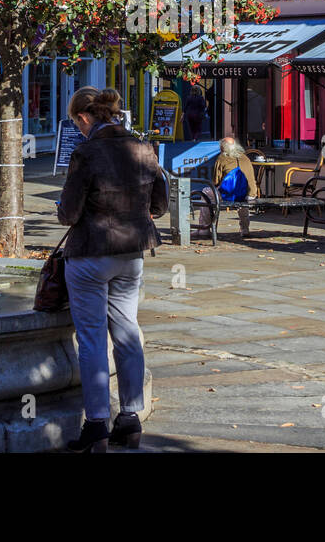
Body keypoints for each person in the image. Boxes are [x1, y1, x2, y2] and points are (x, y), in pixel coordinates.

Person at [57, 87, 167, 452]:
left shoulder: (86, 153)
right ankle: (131, 418)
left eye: (76, 121)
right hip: (131, 253)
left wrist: (66, 206)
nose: (77, 127)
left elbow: (69, 214)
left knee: (91, 341)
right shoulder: (143, 148)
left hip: (90, 254)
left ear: (84, 117)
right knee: (127, 333)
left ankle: (97, 426)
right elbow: (161, 204)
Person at [194, 137, 260, 238]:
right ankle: (245, 229)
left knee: (206, 192)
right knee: (242, 200)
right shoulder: (245, 158)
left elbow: (215, 181)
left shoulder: (222, 158)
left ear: (223, 148)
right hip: (249, 194)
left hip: (230, 195)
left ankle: (204, 229)